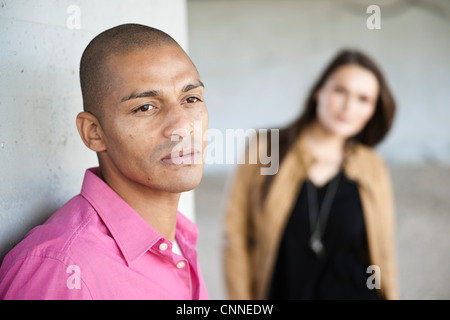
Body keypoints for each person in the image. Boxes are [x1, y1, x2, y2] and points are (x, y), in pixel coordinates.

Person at [0, 23, 209, 299]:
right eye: (145, 107)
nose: (182, 126)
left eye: (191, 99)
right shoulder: (62, 268)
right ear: (94, 133)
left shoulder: (179, 236)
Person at [223, 49, 398, 300]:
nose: (349, 107)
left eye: (363, 99)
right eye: (340, 91)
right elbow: (236, 237)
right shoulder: (266, 148)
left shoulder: (372, 165)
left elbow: (384, 249)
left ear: (373, 110)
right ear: (319, 91)